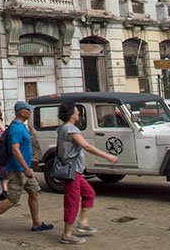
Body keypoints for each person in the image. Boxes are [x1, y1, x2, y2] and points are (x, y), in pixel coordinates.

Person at [0, 101, 52, 237]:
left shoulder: (20, 127)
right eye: (27, 110)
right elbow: (15, 150)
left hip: (23, 168)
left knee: (34, 192)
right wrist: (26, 168)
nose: (30, 112)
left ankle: (36, 223)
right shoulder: (16, 129)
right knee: (13, 199)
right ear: (21, 112)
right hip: (18, 169)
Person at [55, 102, 119, 245]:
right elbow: (86, 146)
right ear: (71, 114)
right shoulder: (70, 129)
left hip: (76, 170)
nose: (78, 114)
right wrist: (107, 156)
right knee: (72, 203)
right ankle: (67, 234)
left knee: (89, 193)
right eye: (77, 112)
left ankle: (83, 224)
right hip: (72, 172)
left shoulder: (63, 128)